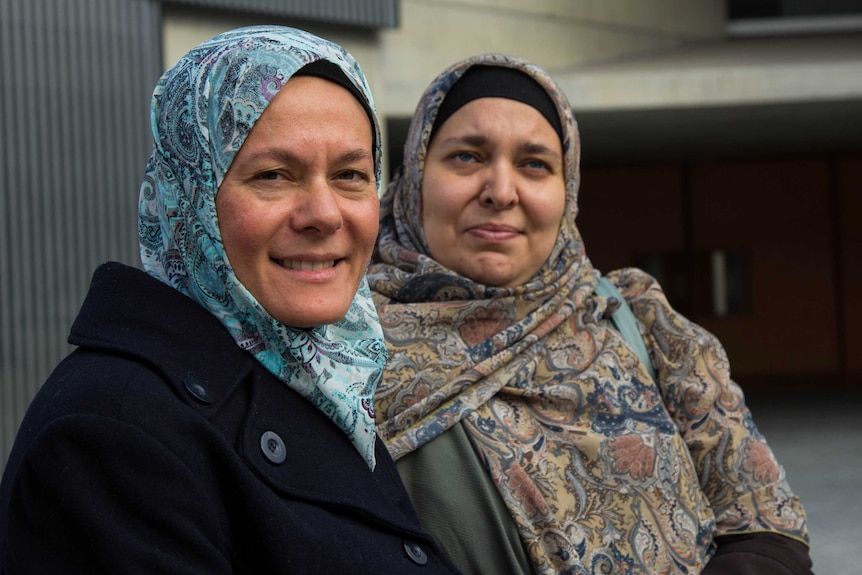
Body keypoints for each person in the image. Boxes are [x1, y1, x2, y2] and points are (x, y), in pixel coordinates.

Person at [0, 26, 461, 574]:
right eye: (273, 175)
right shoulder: (111, 435)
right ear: (189, 193)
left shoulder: (319, 373)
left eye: (350, 175)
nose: (325, 213)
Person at [368, 53, 814, 574]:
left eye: (535, 164)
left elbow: (765, 523)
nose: (501, 191)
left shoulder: (638, 320)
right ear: (415, 174)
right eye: (467, 156)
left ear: (568, 190)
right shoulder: (340, 347)